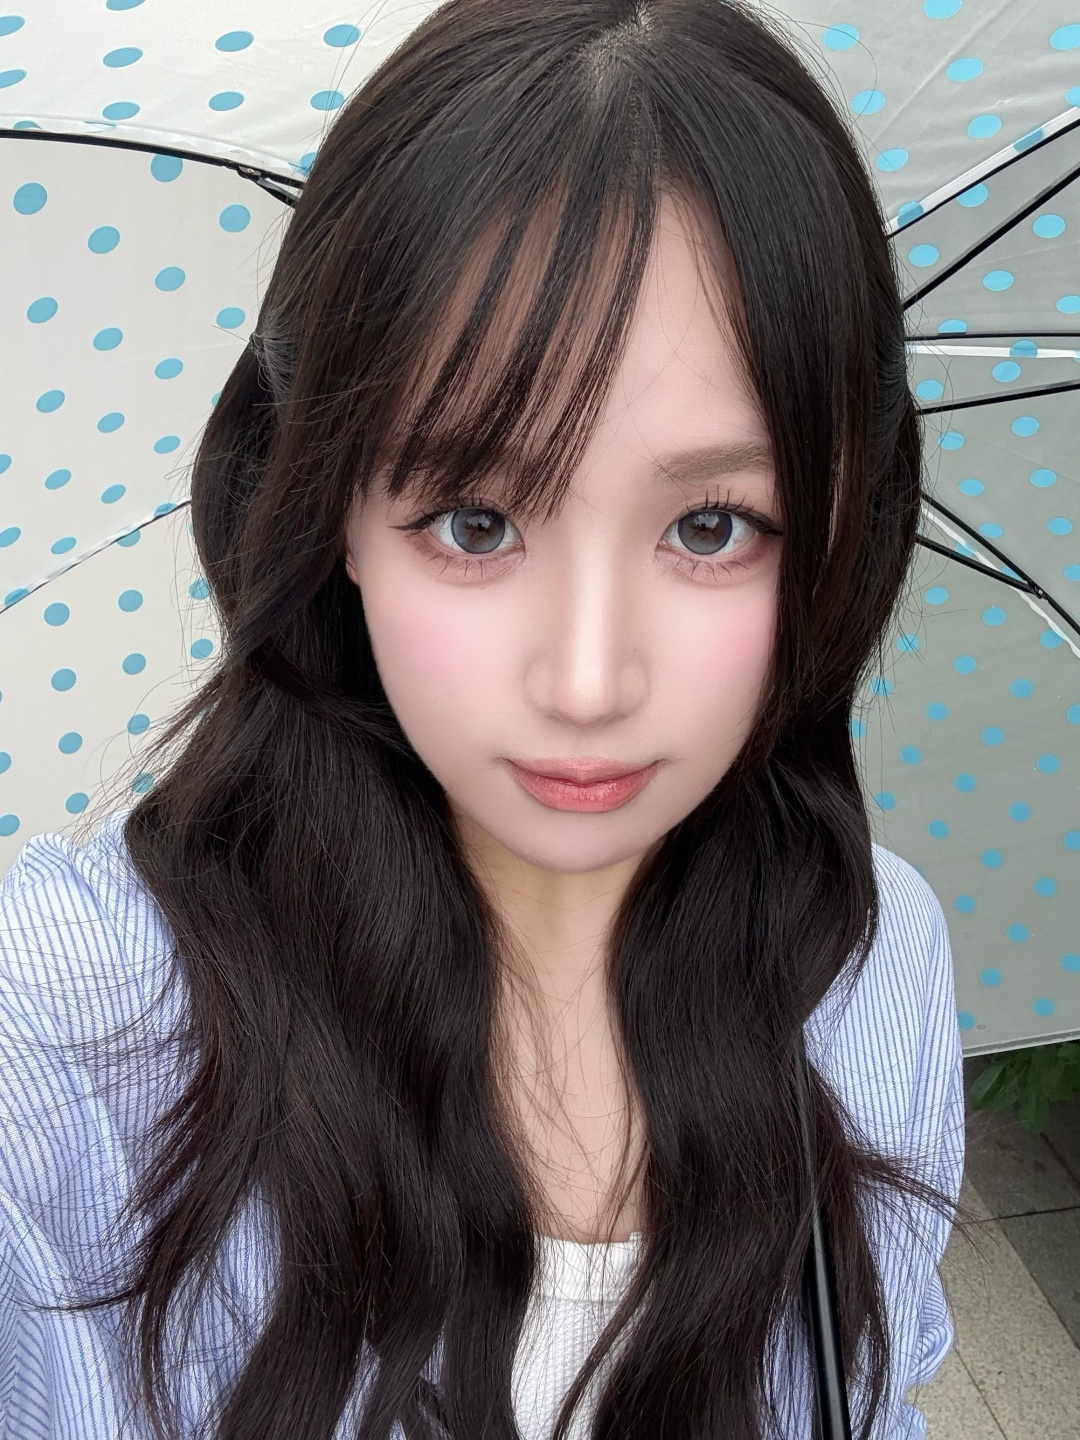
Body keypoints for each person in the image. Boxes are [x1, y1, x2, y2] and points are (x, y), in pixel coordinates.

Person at [0, 2, 970, 1437]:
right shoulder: (68, 1028)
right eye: (475, 518)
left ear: (834, 526)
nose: (586, 682)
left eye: (711, 525)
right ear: (333, 510)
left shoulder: (872, 966)